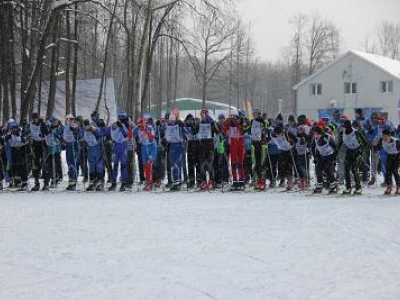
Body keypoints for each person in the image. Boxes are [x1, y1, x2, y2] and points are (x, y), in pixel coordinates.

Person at [339, 120, 368, 195]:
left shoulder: (356, 132)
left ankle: (358, 188)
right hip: (349, 151)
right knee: (346, 169)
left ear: (348, 127)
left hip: (357, 151)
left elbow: (365, 143)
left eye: (344, 127)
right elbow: (340, 144)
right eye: (343, 127)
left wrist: (360, 150)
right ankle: (348, 187)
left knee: (355, 169)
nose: (343, 128)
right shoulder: (342, 133)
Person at [312, 125, 337, 194]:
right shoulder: (315, 139)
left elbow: (335, 147)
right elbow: (313, 147)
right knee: (318, 169)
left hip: (330, 155)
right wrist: (315, 157)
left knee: (327, 169)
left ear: (321, 133)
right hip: (321, 155)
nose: (316, 136)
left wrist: (334, 158)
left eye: (317, 134)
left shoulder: (328, 137)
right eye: (315, 134)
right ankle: (319, 186)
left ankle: (333, 185)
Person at [83, 118, 105, 191]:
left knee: (99, 165)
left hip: (97, 148)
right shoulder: (85, 132)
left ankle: (100, 183)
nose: (87, 127)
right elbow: (85, 139)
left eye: (88, 125)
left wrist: (93, 131)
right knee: (91, 165)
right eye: (86, 125)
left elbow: (100, 135)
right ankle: (92, 183)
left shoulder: (95, 129)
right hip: (90, 149)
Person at [62, 114, 83, 191]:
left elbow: (80, 135)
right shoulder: (66, 127)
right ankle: (71, 180)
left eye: (72, 119)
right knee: (69, 163)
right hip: (69, 145)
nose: (70, 121)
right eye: (69, 119)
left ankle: (73, 181)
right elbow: (64, 136)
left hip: (75, 145)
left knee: (73, 163)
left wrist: (75, 133)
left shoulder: (76, 126)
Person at [249, 108, 267, 190]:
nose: (254, 115)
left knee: (261, 163)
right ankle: (258, 181)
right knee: (255, 164)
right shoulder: (252, 121)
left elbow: (265, 131)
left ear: (259, 114)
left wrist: (264, 136)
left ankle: (262, 182)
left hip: (261, 144)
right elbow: (248, 129)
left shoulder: (263, 121)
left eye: (255, 114)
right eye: (253, 114)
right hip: (254, 143)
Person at [378, 129, 400, 195]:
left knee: (394, 170)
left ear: (390, 136)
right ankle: (389, 186)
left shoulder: (396, 141)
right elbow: (378, 147)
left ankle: (398, 187)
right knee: (388, 171)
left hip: (397, 155)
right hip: (390, 155)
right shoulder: (381, 140)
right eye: (383, 136)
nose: (385, 138)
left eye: (386, 136)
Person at [29, 113, 46, 191]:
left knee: (45, 163)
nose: (35, 119)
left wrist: (43, 123)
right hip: (35, 145)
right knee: (35, 164)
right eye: (34, 118)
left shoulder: (42, 124)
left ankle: (46, 183)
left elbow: (46, 132)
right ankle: (36, 183)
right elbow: (27, 133)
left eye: (36, 118)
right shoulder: (31, 125)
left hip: (42, 144)